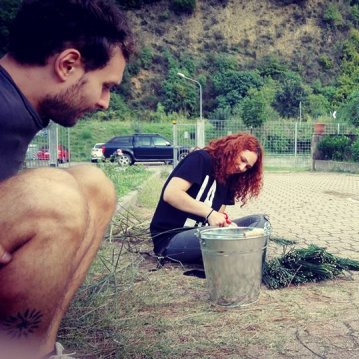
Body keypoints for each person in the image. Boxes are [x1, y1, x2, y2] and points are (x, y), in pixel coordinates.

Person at [0, 0, 134, 357]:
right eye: (106, 86)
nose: (105, 102)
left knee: (95, 186)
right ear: (68, 64)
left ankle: (37, 350)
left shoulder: (17, 108)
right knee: (54, 197)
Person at [150, 133, 270, 265]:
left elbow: (218, 218)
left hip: (206, 234)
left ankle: (243, 252)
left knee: (261, 221)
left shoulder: (230, 179)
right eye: (242, 160)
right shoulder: (201, 159)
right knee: (228, 236)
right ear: (232, 149)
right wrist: (210, 213)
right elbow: (171, 193)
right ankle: (245, 254)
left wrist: (226, 224)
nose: (242, 168)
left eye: (247, 167)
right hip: (171, 239)